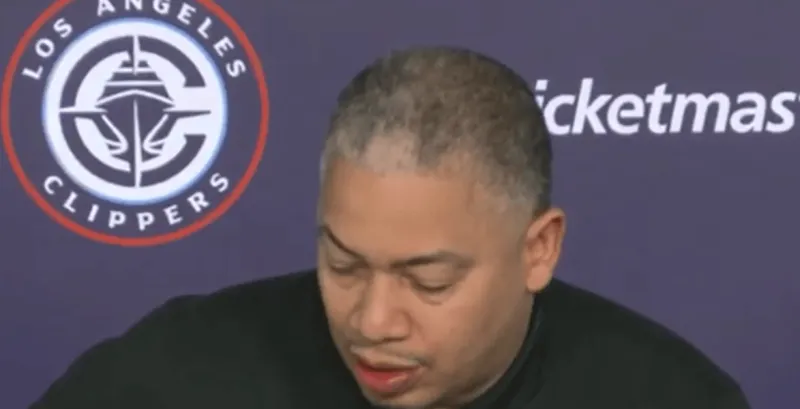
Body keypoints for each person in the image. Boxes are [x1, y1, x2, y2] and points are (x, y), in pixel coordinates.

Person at [30, 46, 749, 409]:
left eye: (428, 281)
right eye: (342, 264)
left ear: (539, 249)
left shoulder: (668, 396)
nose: (372, 322)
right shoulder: (171, 376)